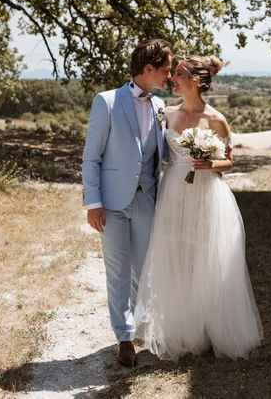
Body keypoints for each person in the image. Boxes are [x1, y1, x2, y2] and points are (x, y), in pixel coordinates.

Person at [134, 55, 263, 361]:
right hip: (174, 192)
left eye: (177, 75)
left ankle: (209, 330)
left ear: (194, 80)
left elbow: (229, 161)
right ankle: (182, 330)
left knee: (206, 257)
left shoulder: (216, 119)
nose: (172, 80)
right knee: (177, 257)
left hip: (207, 194)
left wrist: (210, 162)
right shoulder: (167, 114)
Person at [81, 39, 172, 367]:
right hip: (113, 204)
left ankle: (141, 326)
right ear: (148, 69)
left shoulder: (160, 106)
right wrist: (93, 203)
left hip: (147, 200)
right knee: (118, 271)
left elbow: (165, 155)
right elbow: (91, 157)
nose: (169, 75)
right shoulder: (106, 102)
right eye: (165, 69)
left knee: (144, 269)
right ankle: (124, 337)